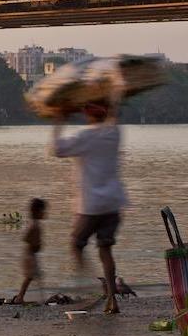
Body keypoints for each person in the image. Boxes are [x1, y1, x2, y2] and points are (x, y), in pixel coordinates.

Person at [52, 101, 127, 314]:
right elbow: (114, 113)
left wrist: (59, 120)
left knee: (76, 245)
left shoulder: (85, 137)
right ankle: (112, 298)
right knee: (105, 250)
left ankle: (93, 287)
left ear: (88, 116)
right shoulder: (114, 133)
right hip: (113, 203)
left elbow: (57, 149)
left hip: (91, 205)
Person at [11, 197, 47, 305]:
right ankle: (20, 297)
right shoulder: (34, 225)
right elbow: (26, 237)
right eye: (43, 211)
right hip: (29, 255)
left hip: (32, 254)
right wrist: (35, 244)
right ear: (37, 212)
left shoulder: (36, 224)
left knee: (34, 275)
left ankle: (38, 296)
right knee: (29, 276)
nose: (44, 213)